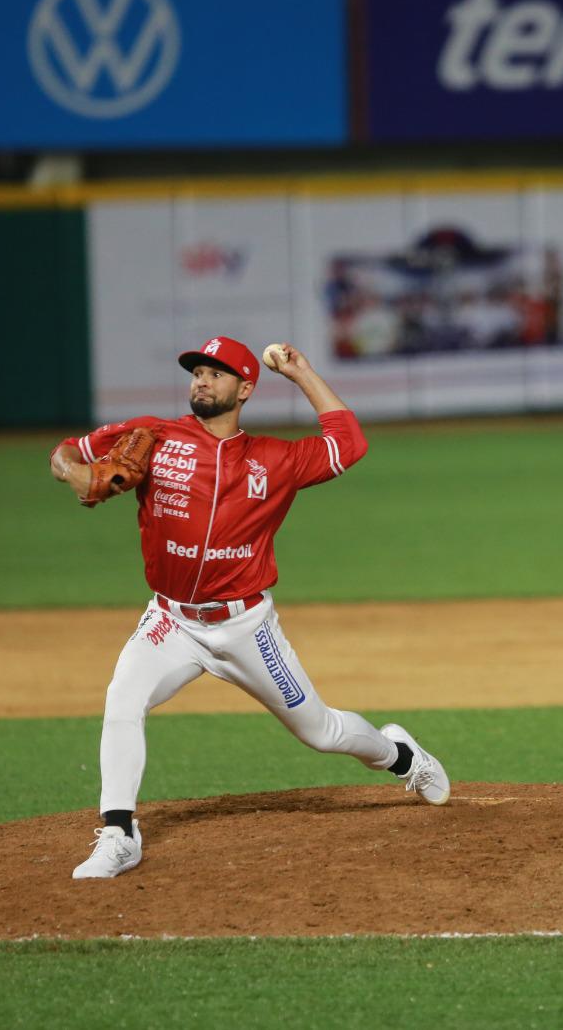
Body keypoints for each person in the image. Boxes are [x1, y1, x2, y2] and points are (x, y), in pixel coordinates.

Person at [50, 335, 451, 880]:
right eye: (197, 372)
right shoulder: (155, 436)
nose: (201, 380)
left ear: (245, 389)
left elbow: (349, 443)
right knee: (123, 699)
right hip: (171, 621)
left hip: (245, 626)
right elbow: (68, 453)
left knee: (322, 732)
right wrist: (81, 473)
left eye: (216, 373)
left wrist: (303, 372)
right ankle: (120, 833)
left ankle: (402, 757)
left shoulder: (275, 459)